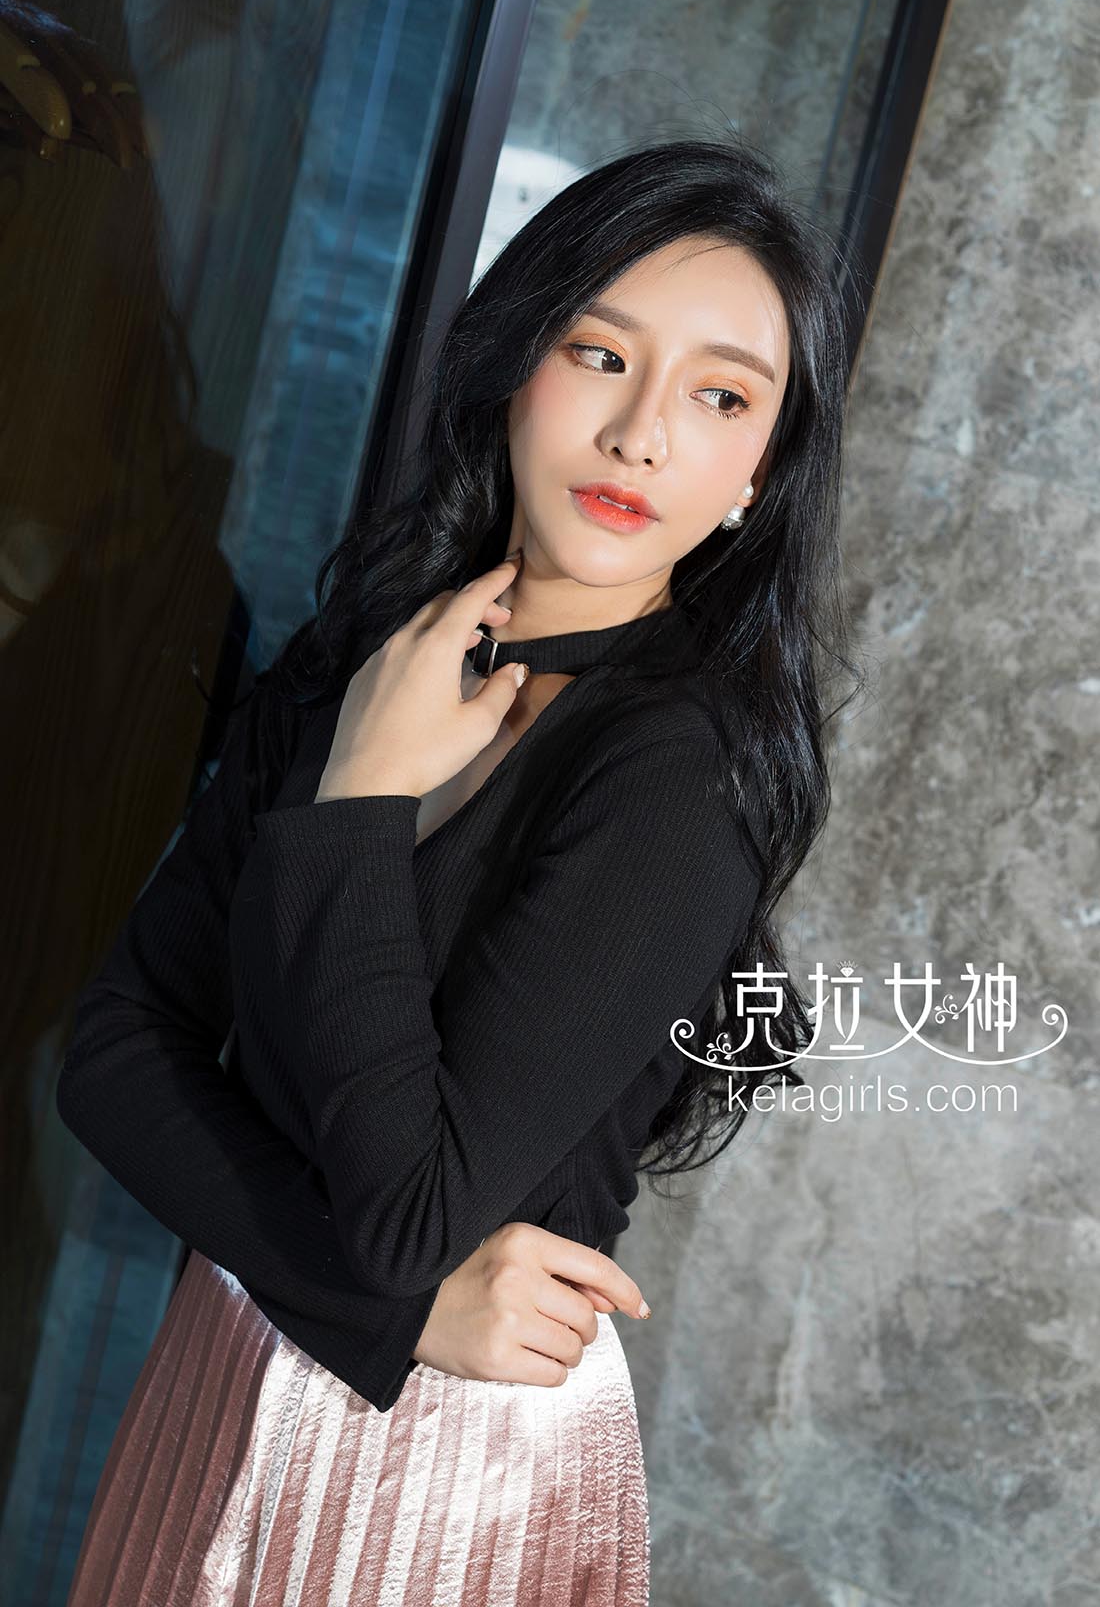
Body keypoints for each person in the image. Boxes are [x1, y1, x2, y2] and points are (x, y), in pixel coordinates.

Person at [57, 135, 856, 1604]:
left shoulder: (681, 770)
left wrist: (362, 801)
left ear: (760, 474)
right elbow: (111, 1055)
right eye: (600, 356)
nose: (641, 436)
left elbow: (408, 1215)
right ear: (513, 369)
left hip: (440, 1475)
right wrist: (397, 1308)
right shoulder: (372, 652)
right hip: (224, 1367)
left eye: (721, 396)